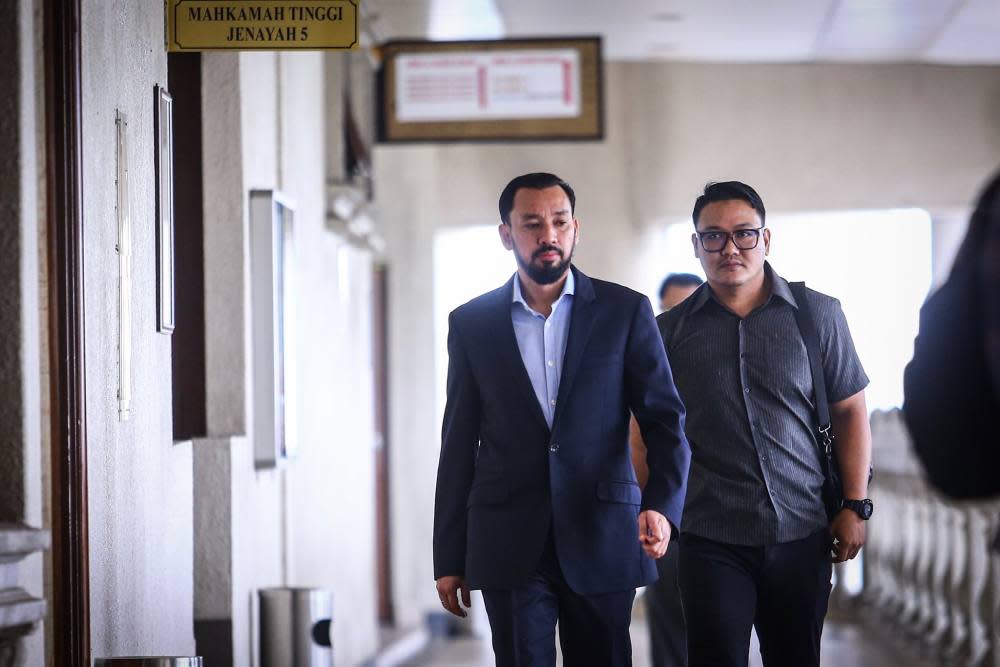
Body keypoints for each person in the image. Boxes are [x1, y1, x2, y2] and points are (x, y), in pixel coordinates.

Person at [433, 172, 691, 666]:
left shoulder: (625, 311)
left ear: (576, 229)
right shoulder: (472, 324)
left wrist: (662, 504)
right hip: (508, 538)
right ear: (507, 234)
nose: (547, 235)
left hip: (603, 532)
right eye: (532, 224)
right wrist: (449, 555)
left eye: (559, 221)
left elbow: (664, 419)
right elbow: (458, 444)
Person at [657, 181, 872, 667]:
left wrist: (855, 506)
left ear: (766, 239)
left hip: (801, 530)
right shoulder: (667, 333)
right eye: (713, 236)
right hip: (710, 535)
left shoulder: (818, 315)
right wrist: (655, 510)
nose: (729, 248)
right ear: (696, 245)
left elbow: (849, 411)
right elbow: (648, 430)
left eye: (744, 234)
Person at [631, 273, 703, 667]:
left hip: (725, 516)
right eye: (670, 309)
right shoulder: (644, 365)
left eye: (689, 308)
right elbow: (636, 442)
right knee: (670, 627)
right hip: (667, 516)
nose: (678, 318)